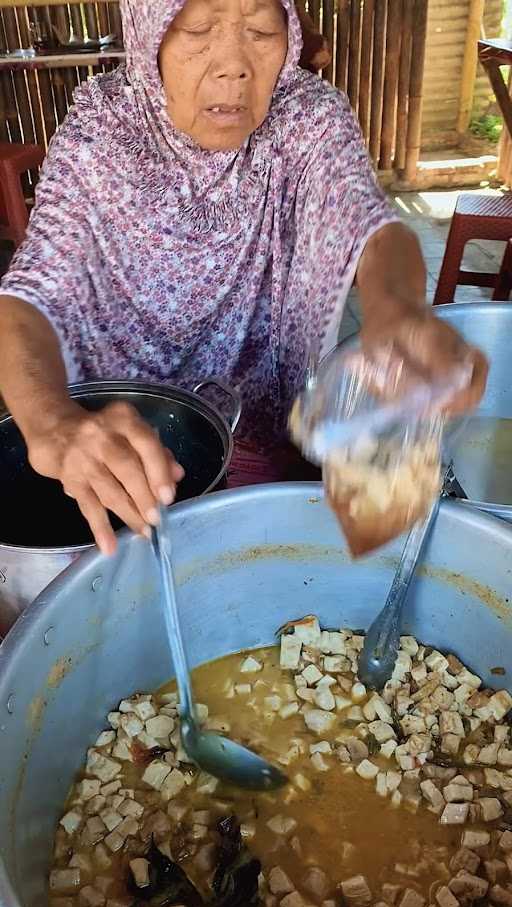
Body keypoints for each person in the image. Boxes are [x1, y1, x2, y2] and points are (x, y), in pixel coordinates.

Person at [0, 0, 487, 556]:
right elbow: (28, 292)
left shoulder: (306, 117)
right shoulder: (102, 128)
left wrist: (398, 311)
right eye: (197, 29)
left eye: (260, 30)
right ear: (149, 35)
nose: (233, 65)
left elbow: (373, 227)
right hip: (120, 448)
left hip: (258, 437)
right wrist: (51, 421)